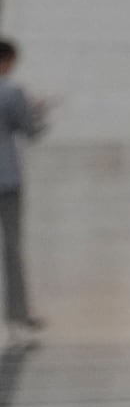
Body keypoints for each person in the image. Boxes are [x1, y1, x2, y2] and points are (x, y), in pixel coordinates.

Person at [0, 39, 43, 340]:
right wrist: (37, 110)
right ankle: (18, 314)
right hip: (6, 178)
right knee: (12, 247)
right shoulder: (11, 92)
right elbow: (31, 130)